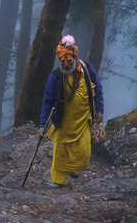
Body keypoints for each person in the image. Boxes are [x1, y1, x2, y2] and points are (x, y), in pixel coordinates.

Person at [38, 35, 104, 188]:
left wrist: (99, 109)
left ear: (74, 58)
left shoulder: (86, 68)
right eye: (63, 61)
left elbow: (98, 89)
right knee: (60, 153)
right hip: (63, 122)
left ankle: (73, 168)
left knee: (83, 151)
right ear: (59, 60)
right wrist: (42, 125)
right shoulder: (55, 77)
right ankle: (58, 180)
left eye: (69, 61)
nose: (66, 64)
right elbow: (47, 102)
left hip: (83, 120)